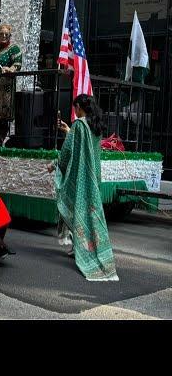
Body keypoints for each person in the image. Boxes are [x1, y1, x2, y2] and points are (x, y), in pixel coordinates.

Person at [47, 94, 119, 281]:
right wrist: (69, 130)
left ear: (79, 107)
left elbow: (69, 150)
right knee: (91, 213)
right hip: (94, 176)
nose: (75, 111)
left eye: (75, 108)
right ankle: (91, 248)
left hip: (80, 177)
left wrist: (55, 164)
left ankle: (81, 248)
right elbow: (86, 147)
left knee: (75, 208)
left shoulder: (80, 124)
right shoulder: (96, 125)